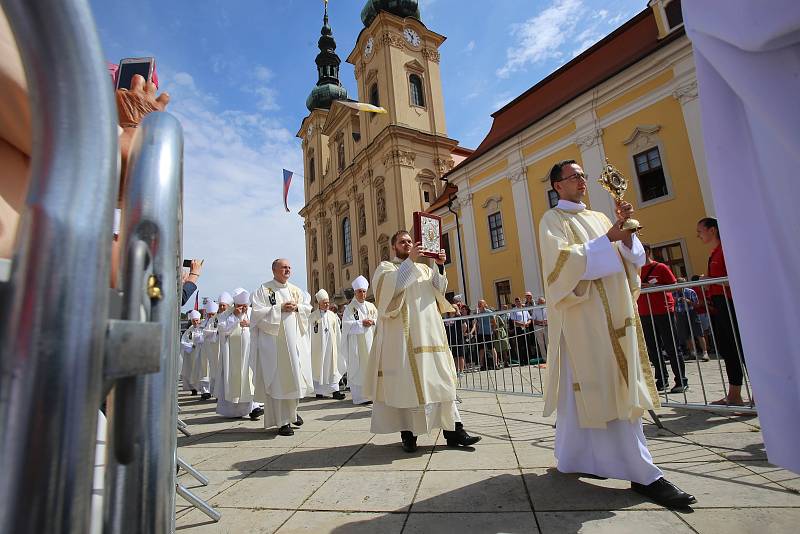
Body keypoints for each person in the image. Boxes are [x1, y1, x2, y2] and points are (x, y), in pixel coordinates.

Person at [539, 159, 695, 508]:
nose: (582, 180)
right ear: (557, 186)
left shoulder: (599, 218)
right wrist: (608, 239)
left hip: (615, 314)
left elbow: (630, 260)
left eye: (582, 175)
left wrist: (626, 233)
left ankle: (578, 457)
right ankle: (644, 474)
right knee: (601, 389)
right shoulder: (552, 220)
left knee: (612, 389)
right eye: (574, 176)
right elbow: (560, 267)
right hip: (585, 320)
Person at [364, 230, 481, 452]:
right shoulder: (387, 268)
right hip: (404, 340)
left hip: (430, 336)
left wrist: (439, 265)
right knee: (405, 386)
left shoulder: (424, 269)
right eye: (402, 242)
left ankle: (454, 431)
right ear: (394, 246)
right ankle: (408, 434)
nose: (407, 244)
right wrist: (411, 261)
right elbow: (387, 294)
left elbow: (439, 290)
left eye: (409, 241)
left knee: (441, 382)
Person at [250, 259, 314, 436]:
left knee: (294, 377)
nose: (287, 270)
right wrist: (279, 309)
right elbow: (256, 314)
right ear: (274, 270)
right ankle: (282, 421)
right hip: (274, 346)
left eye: (289, 267)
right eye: (284, 267)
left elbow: (307, 309)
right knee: (279, 380)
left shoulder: (295, 290)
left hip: (294, 344)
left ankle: (292, 414)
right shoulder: (264, 290)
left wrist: (297, 308)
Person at [697, 217, 747, 406]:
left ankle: (759, 397)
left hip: (731, 303)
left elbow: (736, 277)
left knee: (742, 349)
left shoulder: (727, 250)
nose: (698, 235)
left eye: (700, 231)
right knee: (728, 349)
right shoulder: (715, 252)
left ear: (713, 230)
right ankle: (734, 395)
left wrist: (709, 280)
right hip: (719, 305)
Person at [638, 245, 688, 394]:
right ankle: (662, 379)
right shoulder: (635, 269)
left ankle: (681, 380)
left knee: (672, 347)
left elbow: (674, 287)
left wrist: (656, 287)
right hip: (645, 313)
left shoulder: (661, 267)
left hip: (663, 311)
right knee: (653, 349)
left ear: (646, 252)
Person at [215, 290, 260, 418]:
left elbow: (260, 326)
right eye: (241, 306)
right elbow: (222, 329)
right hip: (232, 356)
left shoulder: (252, 313)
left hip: (250, 354)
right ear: (235, 305)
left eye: (246, 306)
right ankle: (234, 410)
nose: (244, 309)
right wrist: (235, 318)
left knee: (250, 378)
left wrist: (250, 324)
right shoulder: (227, 315)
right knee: (234, 380)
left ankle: (253, 407)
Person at [341, 275, 378, 405]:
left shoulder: (372, 307)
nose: (362, 294)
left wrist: (372, 321)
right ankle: (360, 397)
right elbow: (346, 325)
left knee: (371, 367)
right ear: (355, 292)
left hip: (372, 342)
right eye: (359, 292)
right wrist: (361, 323)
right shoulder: (350, 308)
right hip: (356, 344)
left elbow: (379, 321)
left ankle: (372, 395)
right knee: (359, 368)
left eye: (363, 291)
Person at [310, 289, 346, 400]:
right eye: (324, 302)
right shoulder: (313, 317)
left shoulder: (332, 316)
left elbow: (337, 332)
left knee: (333, 367)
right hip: (318, 349)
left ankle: (335, 391)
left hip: (331, 347)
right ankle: (319, 392)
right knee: (318, 367)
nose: (327, 304)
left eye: (328, 302)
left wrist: (339, 344)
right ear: (319, 303)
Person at [673, 278, 709, 362]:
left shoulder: (690, 291)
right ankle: (692, 353)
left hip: (691, 312)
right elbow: (673, 305)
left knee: (699, 332)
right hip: (680, 314)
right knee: (685, 334)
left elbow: (697, 305)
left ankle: (705, 352)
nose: (677, 286)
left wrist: (689, 301)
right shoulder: (674, 293)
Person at [197, 300, 220, 400]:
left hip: (216, 348)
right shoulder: (202, 323)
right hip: (204, 348)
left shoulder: (218, 320)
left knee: (216, 370)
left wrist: (210, 333)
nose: (211, 316)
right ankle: (205, 391)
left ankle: (217, 392)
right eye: (209, 314)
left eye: (212, 314)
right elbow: (197, 334)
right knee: (205, 369)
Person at [180, 310, 204, 395]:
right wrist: (191, 345)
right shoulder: (188, 331)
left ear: (199, 320)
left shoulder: (203, 329)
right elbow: (183, 342)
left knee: (200, 372)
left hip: (201, 354)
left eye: (197, 320)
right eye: (193, 321)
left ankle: (204, 390)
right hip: (191, 355)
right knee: (191, 371)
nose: (195, 322)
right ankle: (193, 389)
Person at [474, 299, 498, 370]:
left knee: (492, 348)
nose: (479, 305)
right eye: (478, 303)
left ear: (484, 304)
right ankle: (481, 365)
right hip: (481, 333)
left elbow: (494, 322)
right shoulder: (478, 313)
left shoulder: (489, 312)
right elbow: (476, 323)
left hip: (488, 333)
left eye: (480, 303)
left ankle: (495, 364)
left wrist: (493, 330)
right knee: (481, 349)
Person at [509, 297, 531, 365]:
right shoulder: (513, 310)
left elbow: (529, 318)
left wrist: (528, 323)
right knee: (520, 345)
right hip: (519, 329)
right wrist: (522, 324)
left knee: (527, 344)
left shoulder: (524, 309)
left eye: (519, 301)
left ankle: (527, 361)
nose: (518, 302)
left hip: (526, 328)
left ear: (521, 301)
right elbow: (513, 321)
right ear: (515, 302)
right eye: (517, 301)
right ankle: (521, 361)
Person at [531, 296, 548, 363]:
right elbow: (533, 320)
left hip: (547, 327)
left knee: (548, 343)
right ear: (538, 302)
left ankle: (550, 358)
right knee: (541, 343)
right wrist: (540, 322)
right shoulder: (535, 309)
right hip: (538, 327)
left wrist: (547, 321)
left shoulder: (547, 308)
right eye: (540, 303)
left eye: (543, 303)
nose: (542, 304)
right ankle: (545, 359)